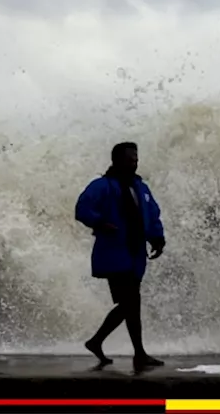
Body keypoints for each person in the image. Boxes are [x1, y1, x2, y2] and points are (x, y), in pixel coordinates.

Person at [75, 141, 167, 371]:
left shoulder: (141, 188)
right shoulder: (102, 185)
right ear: (117, 160)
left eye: (136, 158)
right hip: (114, 252)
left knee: (129, 304)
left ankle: (97, 342)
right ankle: (139, 354)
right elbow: (82, 208)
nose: (134, 162)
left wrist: (158, 238)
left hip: (135, 253)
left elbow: (153, 215)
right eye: (130, 158)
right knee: (131, 302)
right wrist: (99, 222)